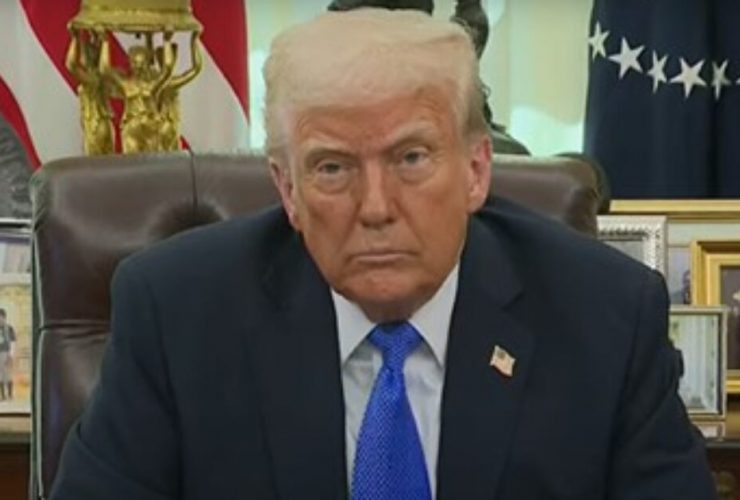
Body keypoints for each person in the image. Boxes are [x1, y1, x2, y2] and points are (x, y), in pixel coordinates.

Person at [51, 9, 716, 499]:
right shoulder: (178, 314)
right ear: (287, 189)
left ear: (476, 170)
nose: (375, 206)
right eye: (332, 168)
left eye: (411, 158)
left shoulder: (605, 318)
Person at [0, 308, 16, 401]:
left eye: (1, 317)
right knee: (0, 375)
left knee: (8, 374)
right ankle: (3, 396)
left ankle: (10, 395)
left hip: (7, 353)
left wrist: (11, 354)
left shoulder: (9, 328)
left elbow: (13, 342)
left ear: (4, 317)